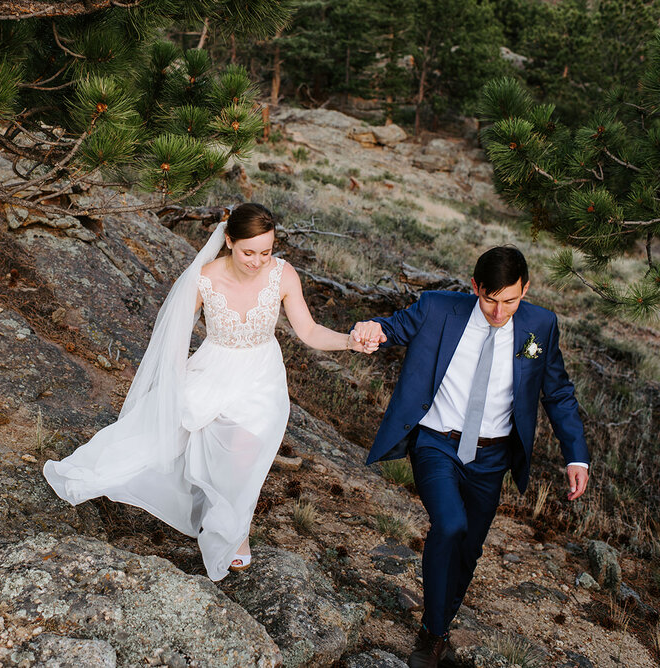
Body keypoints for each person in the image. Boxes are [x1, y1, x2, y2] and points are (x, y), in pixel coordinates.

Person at [44, 203, 376, 580]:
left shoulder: (283, 276)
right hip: (215, 368)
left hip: (262, 376)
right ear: (229, 241)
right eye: (248, 252)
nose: (257, 261)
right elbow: (173, 335)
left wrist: (350, 342)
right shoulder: (204, 279)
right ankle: (216, 514)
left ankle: (236, 531)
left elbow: (310, 331)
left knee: (246, 453)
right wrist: (173, 381)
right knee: (176, 443)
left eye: (266, 252)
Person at [351, 246, 590, 668]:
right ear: (476, 287)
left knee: (470, 548)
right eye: (490, 299)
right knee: (450, 524)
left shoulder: (540, 325)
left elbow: (558, 393)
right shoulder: (439, 307)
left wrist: (577, 456)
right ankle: (433, 634)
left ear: (526, 290)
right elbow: (395, 327)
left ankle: (439, 620)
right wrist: (373, 329)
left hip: (493, 457)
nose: (499, 312)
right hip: (436, 443)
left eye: (510, 301)